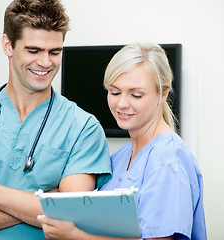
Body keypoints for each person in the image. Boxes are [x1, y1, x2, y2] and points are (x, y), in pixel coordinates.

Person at [0, 0, 112, 239]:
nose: (45, 63)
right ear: (8, 45)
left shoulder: (83, 128)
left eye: (54, 52)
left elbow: (70, 217)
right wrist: (47, 201)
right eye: (33, 50)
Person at [38, 42, 207, 240]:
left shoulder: (168, 160)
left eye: (136, 95)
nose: (122, 103)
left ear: (163, 93)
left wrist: (74, 236)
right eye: (115, 92)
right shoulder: (120, 158)